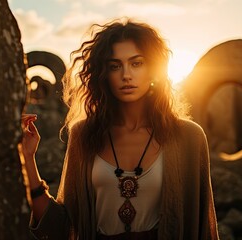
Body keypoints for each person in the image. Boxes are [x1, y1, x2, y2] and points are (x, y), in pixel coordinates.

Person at [21, 18, 219, 240]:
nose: (126, 75)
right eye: (115, 66)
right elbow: (61, 228)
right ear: (103, 74)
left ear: (154, 69)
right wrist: (27, 158)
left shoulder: (189, 137)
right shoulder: (83, 134)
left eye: (137, 63)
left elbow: (203, 229)